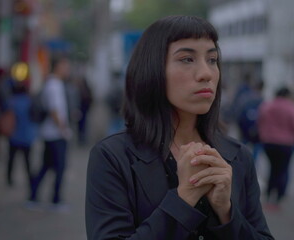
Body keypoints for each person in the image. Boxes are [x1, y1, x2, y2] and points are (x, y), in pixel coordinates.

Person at [85, 15, 273, 239]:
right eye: (187, 59)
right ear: (152, 69)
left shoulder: (238, 157)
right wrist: (184, 199)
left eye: (212, 60)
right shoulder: (113, 157)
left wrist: (226, 211)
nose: (206, 74)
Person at [29, 54, 72, 209]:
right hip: (55, 135)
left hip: (49, 133)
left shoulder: (53, 83)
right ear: (58, 67)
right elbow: (54, 111)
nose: (68, 70)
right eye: (66, 66)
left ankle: (33, 196)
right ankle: (55, 199)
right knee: (59, 168)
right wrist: (63, 130)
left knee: (46, 166)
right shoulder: (54, 85)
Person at [257, 87, 294, 210]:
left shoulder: (267, 106)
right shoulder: (291, 108)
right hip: (285, 144)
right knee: (282, 170)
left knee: (272, 168)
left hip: (269, 142)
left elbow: (260, 122)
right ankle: (278, 197)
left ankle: (269, 194)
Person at [6, 79, 36, 189]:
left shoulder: (11, 102)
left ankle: (9, 179)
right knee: (27, 161)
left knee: (11, 159)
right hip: (27, 136)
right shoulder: (29, 101)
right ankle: (29, 180)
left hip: (14, 135)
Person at [236, 80, 264, 163]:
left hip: (245, 127)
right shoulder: (263, 100)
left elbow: (240, 112)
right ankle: (252, 167)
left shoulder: (246, 97)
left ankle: (241, 164)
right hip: (257, 129)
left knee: (242, 148)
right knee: (256, 150)